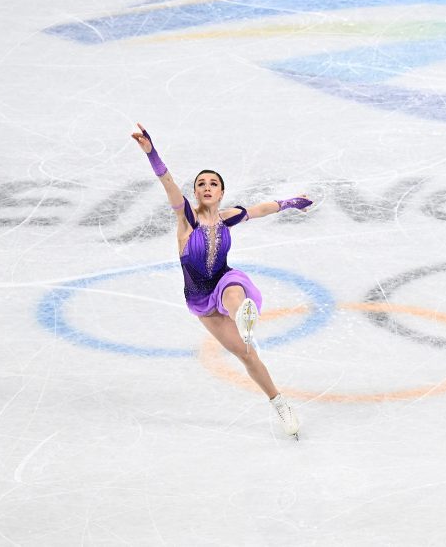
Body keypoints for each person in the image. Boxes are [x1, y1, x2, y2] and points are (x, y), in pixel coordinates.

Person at [131, 123, 312, 438]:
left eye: (213, 183)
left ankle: (244, 319)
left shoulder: (230, 217)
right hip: (200, 300)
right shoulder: (186, 217)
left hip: (225, 282)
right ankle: (277, 400)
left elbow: (260, 209)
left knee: (232, 290)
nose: (206, 187)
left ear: (221, 191)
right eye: (201, 183)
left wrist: (290, 203)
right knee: (246, 356)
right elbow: (168, 183)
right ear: (197, 191)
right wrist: (152, 153)